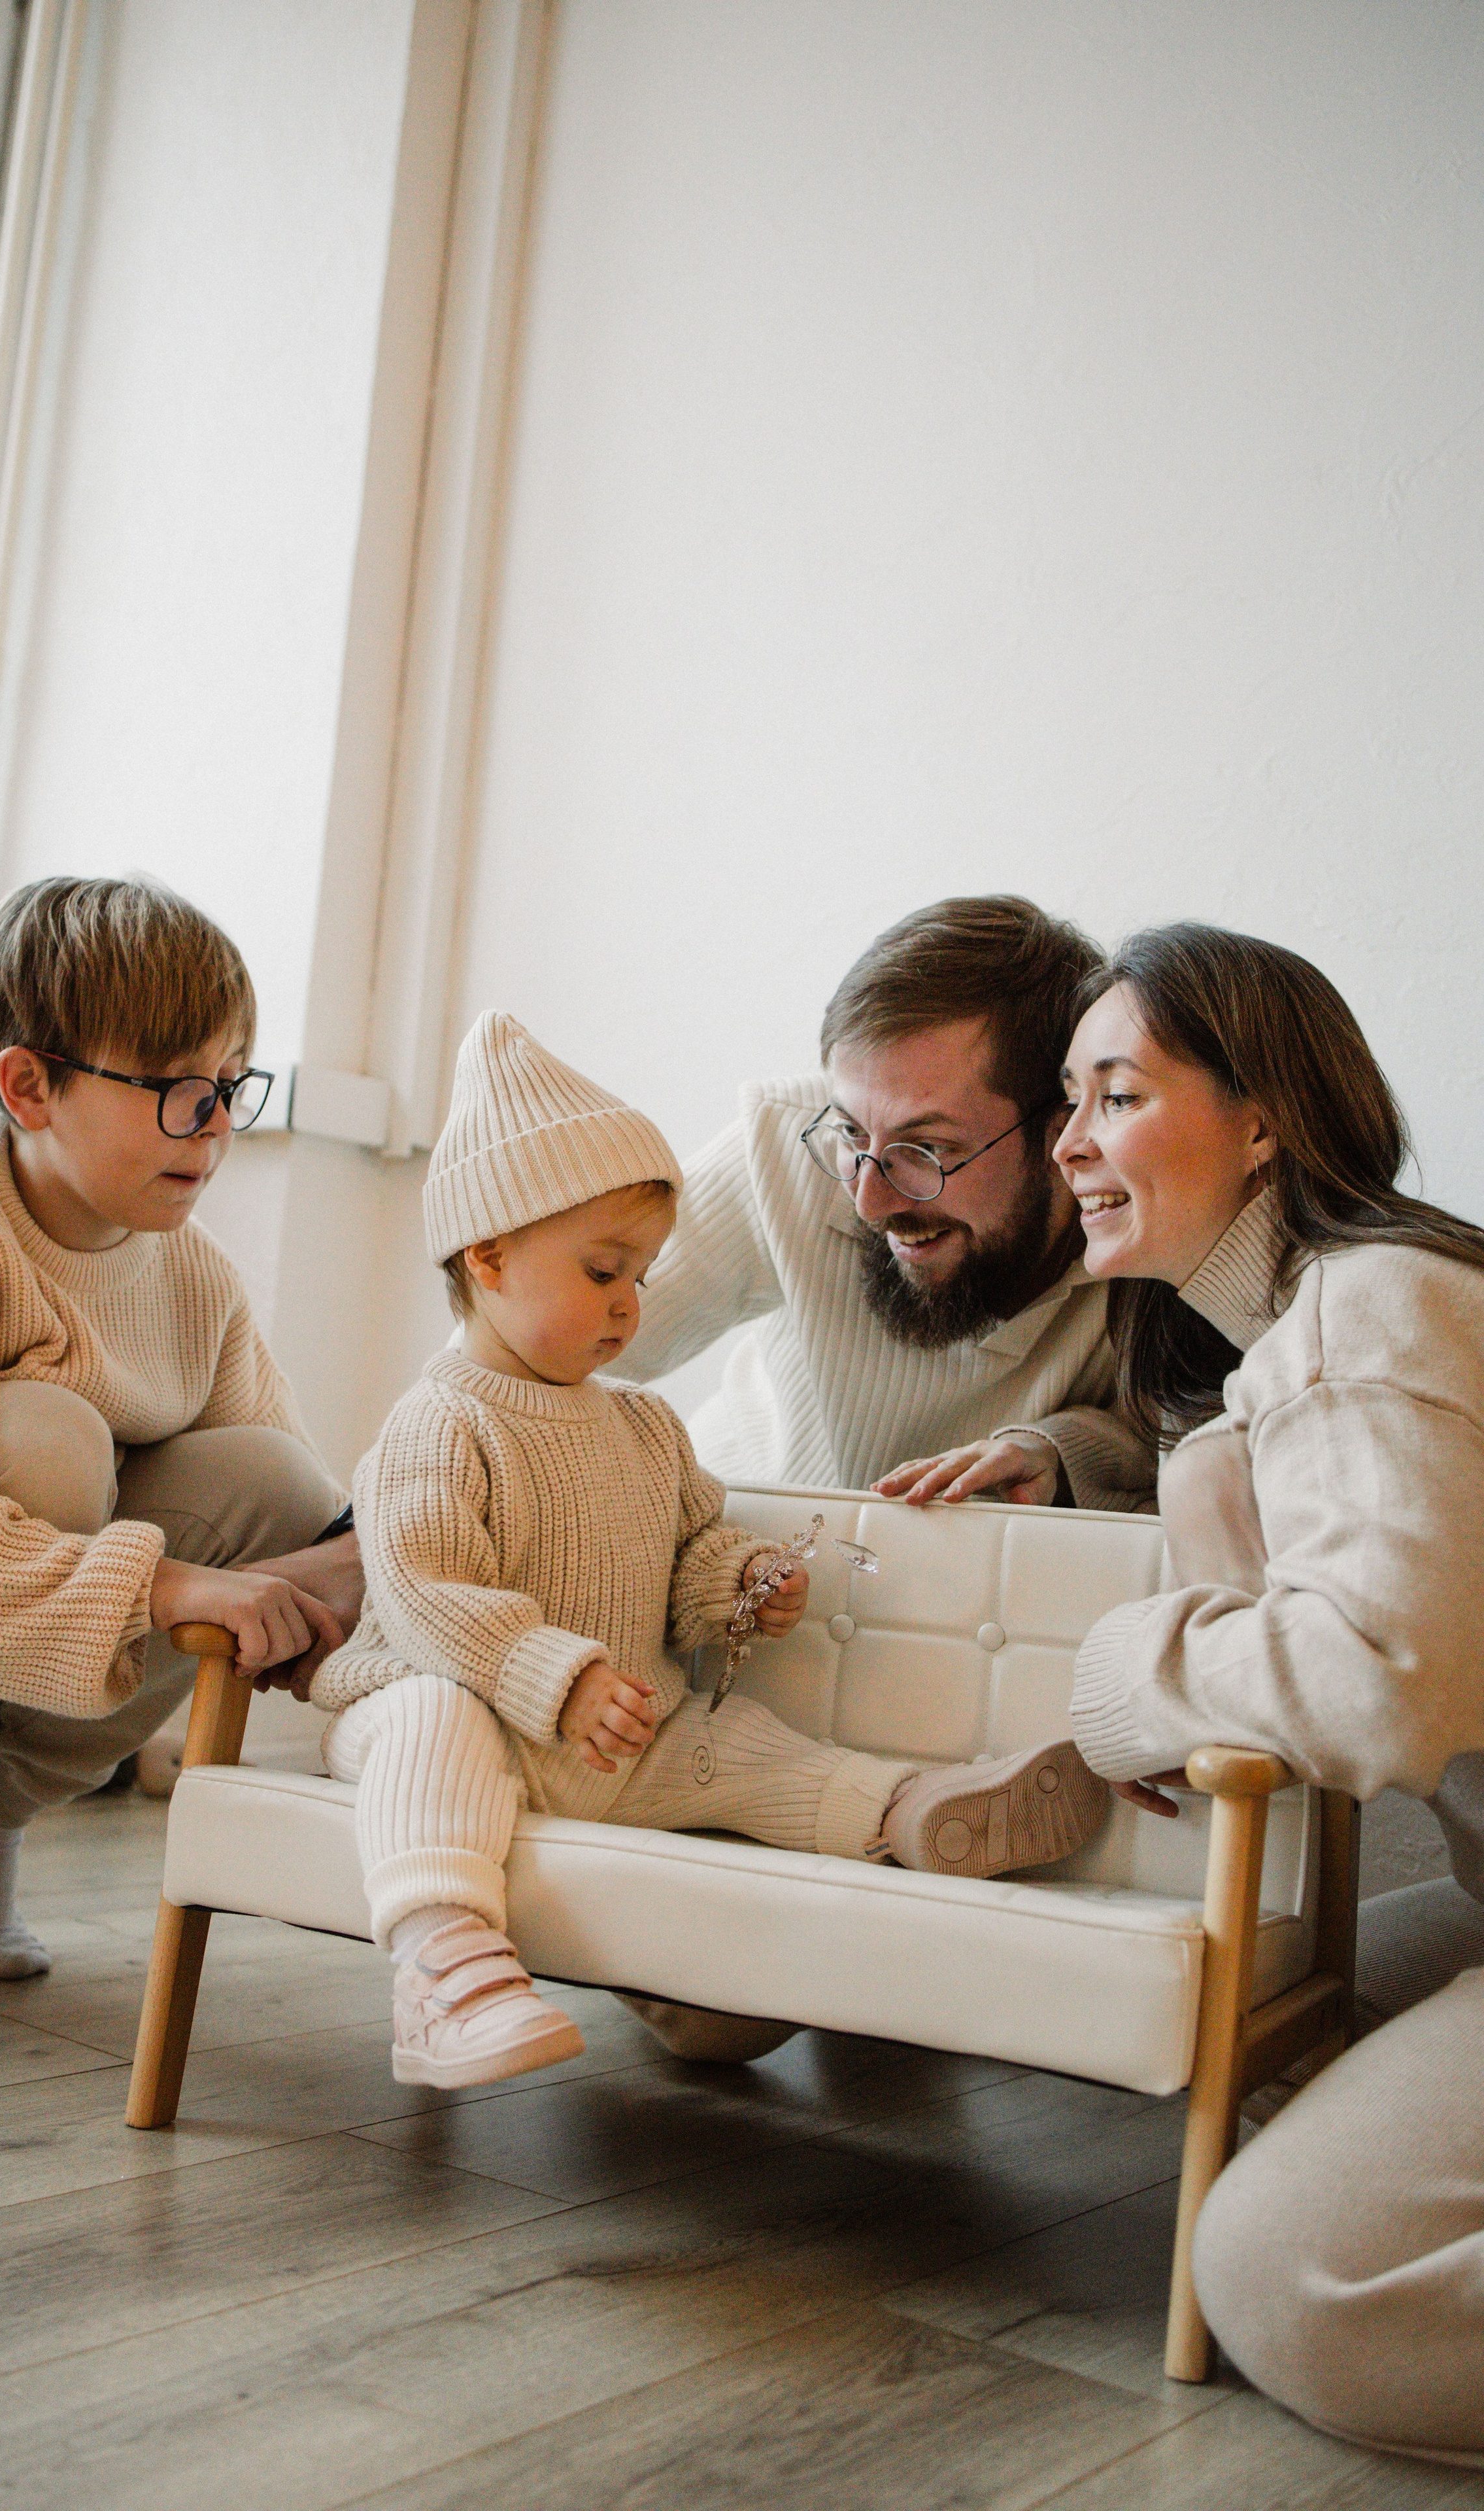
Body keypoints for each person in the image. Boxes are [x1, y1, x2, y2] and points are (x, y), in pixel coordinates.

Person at [309, 1012, 1107, 2090]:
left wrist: (740, 1587)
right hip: (469, 1710)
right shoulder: (441, 1419)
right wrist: (563, 1676)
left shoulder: (641, 1424)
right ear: (489, 1257)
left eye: (639, 1272)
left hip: (620, 1733)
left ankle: (913, 1808)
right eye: (603, 1271)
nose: (631, 1303)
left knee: (752, 1750)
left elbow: (689, 1547)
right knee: (426, 1726)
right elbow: (427, 1591)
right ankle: (447, 1973)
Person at [1058, 921, 1484, 2465]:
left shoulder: (1371, 1303)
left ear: (1262, 1119)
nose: (1067, 1141)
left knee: (1288, 2273)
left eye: (1113, 1091)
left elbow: (1370, 1685)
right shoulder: (1284, 1362)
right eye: (1066, 1099)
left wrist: (1118, 1678)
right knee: (1243, 2010)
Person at [0, 876, 362, 2022]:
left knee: (273, 1481)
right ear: (30, 1086)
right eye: (175, 1091)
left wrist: (386, 1580)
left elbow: (286, 1504)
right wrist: (159, 1584)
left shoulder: (190, 1271)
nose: (213, 1125)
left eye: (228, 1086)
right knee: (46, 1442)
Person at [613, 894, 1155, 1514]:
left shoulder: (1147, 1223)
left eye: (925, 1148)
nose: (869, 1202)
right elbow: (526, 1347)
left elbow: (1184, 1436)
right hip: (730, 1546)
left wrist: (1060, 1449)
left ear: (1063, 1130)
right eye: (851, 1132)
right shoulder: (784, 1143)